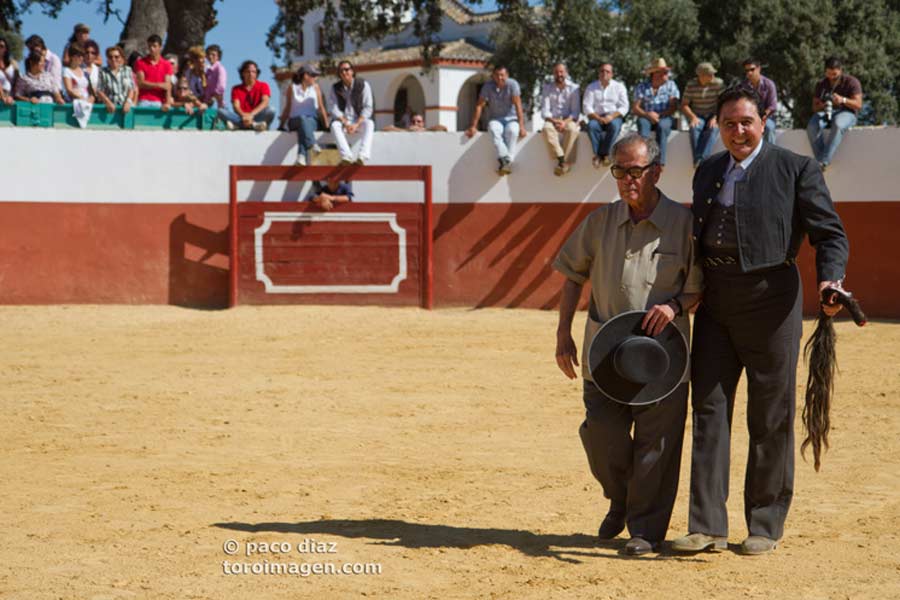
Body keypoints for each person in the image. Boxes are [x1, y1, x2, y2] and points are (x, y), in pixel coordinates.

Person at [671, 84, 849, 556]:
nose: (737, 131)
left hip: (772, 301)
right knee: (708, 409)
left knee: (769, 415)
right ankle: (706, 525)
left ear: (764, 120)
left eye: (745, 122)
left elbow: (829, 235)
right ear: (718, 127)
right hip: (716, 302)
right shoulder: (708, 170)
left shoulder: (796, 169)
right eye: (728, 123)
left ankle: (764, 524)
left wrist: (831, 281)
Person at [554, 132, 702, 556]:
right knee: (601, 432)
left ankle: (645, 530)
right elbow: (572, 275)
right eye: (619, 171)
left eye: (636, 171)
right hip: (604, 353)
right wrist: (563, 332)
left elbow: (696, 288)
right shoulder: (600, 222)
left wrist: (674, 307)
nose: (627, 180)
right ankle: (619, 498)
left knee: (657, 443)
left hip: (663, 357)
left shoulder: (683, 224)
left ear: (656, 171)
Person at [465, 65, 527, 175]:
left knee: (512, 131)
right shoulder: (488, 86)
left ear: (507, 75)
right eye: (497, 75)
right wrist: (473, 126)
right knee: (493, 129)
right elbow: (479, 105)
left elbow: (518, 105)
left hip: (512, 118)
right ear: (493, 76)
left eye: (502, 75)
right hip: (496, 119)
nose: (500, 78)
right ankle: (504, 159)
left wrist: (522, 126)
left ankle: (507, 161)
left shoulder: (512, 84)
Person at [806, 56, 862, 171]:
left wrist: (843, 100)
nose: (832, 77)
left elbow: (858, 104)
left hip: (847, 113)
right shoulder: (821, 84)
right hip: (827, 112)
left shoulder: (851, 82)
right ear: (825, 71)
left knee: (838, 123)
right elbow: (814, 107)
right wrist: (822, 105)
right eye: (829, 74)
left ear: (841, 70)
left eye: (835, 75)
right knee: (812, 125)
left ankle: (823, 161)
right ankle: (821, 160)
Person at [632, 58, 680, 168]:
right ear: (655, 74)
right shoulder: (642, 86)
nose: (667, 74)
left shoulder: (671, 85)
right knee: (642, 124)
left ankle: (659, 162)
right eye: (665, 72)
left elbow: (674, 106)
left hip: (665, 116)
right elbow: (635, 108)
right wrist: (647, 114)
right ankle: (643, 158)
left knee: (663, 126)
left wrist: (661, 115)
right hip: (647, 116)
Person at [279, 64, 328, 165]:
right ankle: (312, 144)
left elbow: (321, 107)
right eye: (314, 75)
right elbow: (288, 108)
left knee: (304, 126)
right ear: (305, 75)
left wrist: (326, 125)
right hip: (294, 121)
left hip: (312, 121)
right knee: (302, 119)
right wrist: (281, 125)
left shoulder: (316, 87)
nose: (316, 78)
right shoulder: (292, 88)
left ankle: (301, 156)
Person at [582, 62, 628, 168]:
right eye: (602, 71)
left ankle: (604, 154)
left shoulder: (619, 87)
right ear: (599, 73)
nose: (604, 73)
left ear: (612, 74)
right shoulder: (591, 87)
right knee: (591, 126)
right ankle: (598, 155)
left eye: (607, 71)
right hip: (597, 117)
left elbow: (624, 106)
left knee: (614, 126)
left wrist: (611, 117)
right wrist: (598, 118)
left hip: (614, 117)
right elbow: (586, 106)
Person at [328, 60, 375, 165]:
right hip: (344, 122)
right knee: (334, 125)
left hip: (358, 121)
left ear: (352, 71)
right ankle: (346, 156)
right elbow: (333, 108)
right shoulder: (335, 88)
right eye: (341, 71)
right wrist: (346, 123)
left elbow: (368, 108)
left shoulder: (363, 85)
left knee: (370, 124)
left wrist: (356, 124)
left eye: (347, 69)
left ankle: (362, 156)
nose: (344, 72)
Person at [539, 63, 580, 176]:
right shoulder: (547, 88)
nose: (559, 74)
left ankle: (564, 163)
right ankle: (562, 159)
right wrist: (554, 121)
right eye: (556, 72)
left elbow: (575, 111)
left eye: (561, 72)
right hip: (552, 119)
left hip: (568, 120)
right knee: (546, 129)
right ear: (553, 74)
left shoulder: (574, 88)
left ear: (566, 73)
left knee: (573, 130)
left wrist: (564, 122)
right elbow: (544, 110)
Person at [681, 62, 724, 168]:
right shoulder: (691, 85)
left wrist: (715, 118)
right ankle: (700, 160)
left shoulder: (719, 84)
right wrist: (692, 117)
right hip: (697, 115)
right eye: (710, 74)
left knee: (713, 129)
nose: (713, 76)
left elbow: (723, 103)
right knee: (695, 128)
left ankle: (701, 161)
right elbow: (684, 105)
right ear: (701, 76)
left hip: (713, 114)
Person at [221, 60, 275, 131]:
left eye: (253, 72)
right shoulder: (236, 88)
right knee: (221, 111)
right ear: (243, 73)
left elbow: (265, 102)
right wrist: (244, 116)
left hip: (257, 117)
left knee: (271, 110)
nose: (251, 74)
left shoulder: (263, 85)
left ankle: (240, 126)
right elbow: (236, 106)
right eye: (248, 71)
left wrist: (251, 115)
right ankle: (253, 125)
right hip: (242, 117)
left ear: (256, 74)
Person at [742, 58, 777, 144]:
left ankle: (770, 155)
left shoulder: (769, 84)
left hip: (767, 117)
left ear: (759, 69)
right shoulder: (743, 86)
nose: (749, 73)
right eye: (747, 70)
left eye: (752, 69)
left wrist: (762, 117)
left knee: (769, 128)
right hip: (749, 117)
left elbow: (772, 106)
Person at [134, 34, 173, 111]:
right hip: (143, 100)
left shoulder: (167, 64)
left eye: (154, 46)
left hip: (160, 102)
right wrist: (159, 84)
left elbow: (167, 86)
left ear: (160, 47)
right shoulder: (140, 62)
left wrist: (168, 103)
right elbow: (140, 83)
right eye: (150, 46)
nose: (151, 49)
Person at [98, 46, 137, 114]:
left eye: (116, 57)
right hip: (109, 108)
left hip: (125, 107)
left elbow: (131, 88)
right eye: (110, 57)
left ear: (121, 58)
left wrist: (128, 102)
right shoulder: (102, 71)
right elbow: (99, 90)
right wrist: (108, 102)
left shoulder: (127, 70)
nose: (113, 59)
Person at [203, 44, 227, 108]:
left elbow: (221, 87)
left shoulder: (220, 69)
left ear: (218, 56)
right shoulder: (208, 71)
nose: (210, 56)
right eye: (208, 54)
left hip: (218, 104)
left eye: (213, 55)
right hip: (208, 104)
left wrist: (212, 98)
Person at [0, 36, 19, 106]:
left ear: (6, 48)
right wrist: (3, 96)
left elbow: (18, 81)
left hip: (12, 96)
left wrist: (15, 96)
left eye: (1, 46)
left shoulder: (13, 63)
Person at [382, 112, 448, 132]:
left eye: (418, 121)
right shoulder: (406, 131)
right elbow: (385, 128)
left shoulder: (426, 131)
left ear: (423, 123)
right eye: (413, 121)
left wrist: (425, 130)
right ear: (410, 123)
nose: (416, 123)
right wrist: (406, 131)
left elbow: (443, 128)